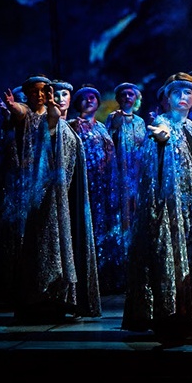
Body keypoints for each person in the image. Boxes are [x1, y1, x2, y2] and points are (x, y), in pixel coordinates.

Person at [122, 78, 192, 338]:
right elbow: (159, 141)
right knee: (170, 255)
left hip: (191, 208)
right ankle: (170, 314)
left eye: (188, 92)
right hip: (169, 208)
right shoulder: (163, 122)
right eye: (177, 92)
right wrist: (162, 138)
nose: (183, 97)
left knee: (191, 255)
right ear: (167, 98)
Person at [2, 78, 100, 320]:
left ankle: (66, 298)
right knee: (47, 247)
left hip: (67, 199)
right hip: (45, 198)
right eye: (49, 94)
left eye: (51, 93)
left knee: (67, 244)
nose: (54, 98)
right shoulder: (39, 121)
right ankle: (45, 298)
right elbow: (38, 120)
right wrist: (18, 108)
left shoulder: (69, 127)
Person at [102, 82, 147, 293]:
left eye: (131, 94)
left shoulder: (140, 122)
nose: (128, 97)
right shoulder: (113, 118)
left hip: (136, 177)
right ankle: (118, 270)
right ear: (118, 98)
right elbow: (107, 143)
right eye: (124, 94)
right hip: (119, 177)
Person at [72, 86, 117, 295]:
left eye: (93, 97)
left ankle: (101, 277)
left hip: (102, 187)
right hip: (84, 185)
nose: (89, 101)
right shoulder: (73, 126)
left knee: (101, 229)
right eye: (84, 98)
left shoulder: (101, 127)